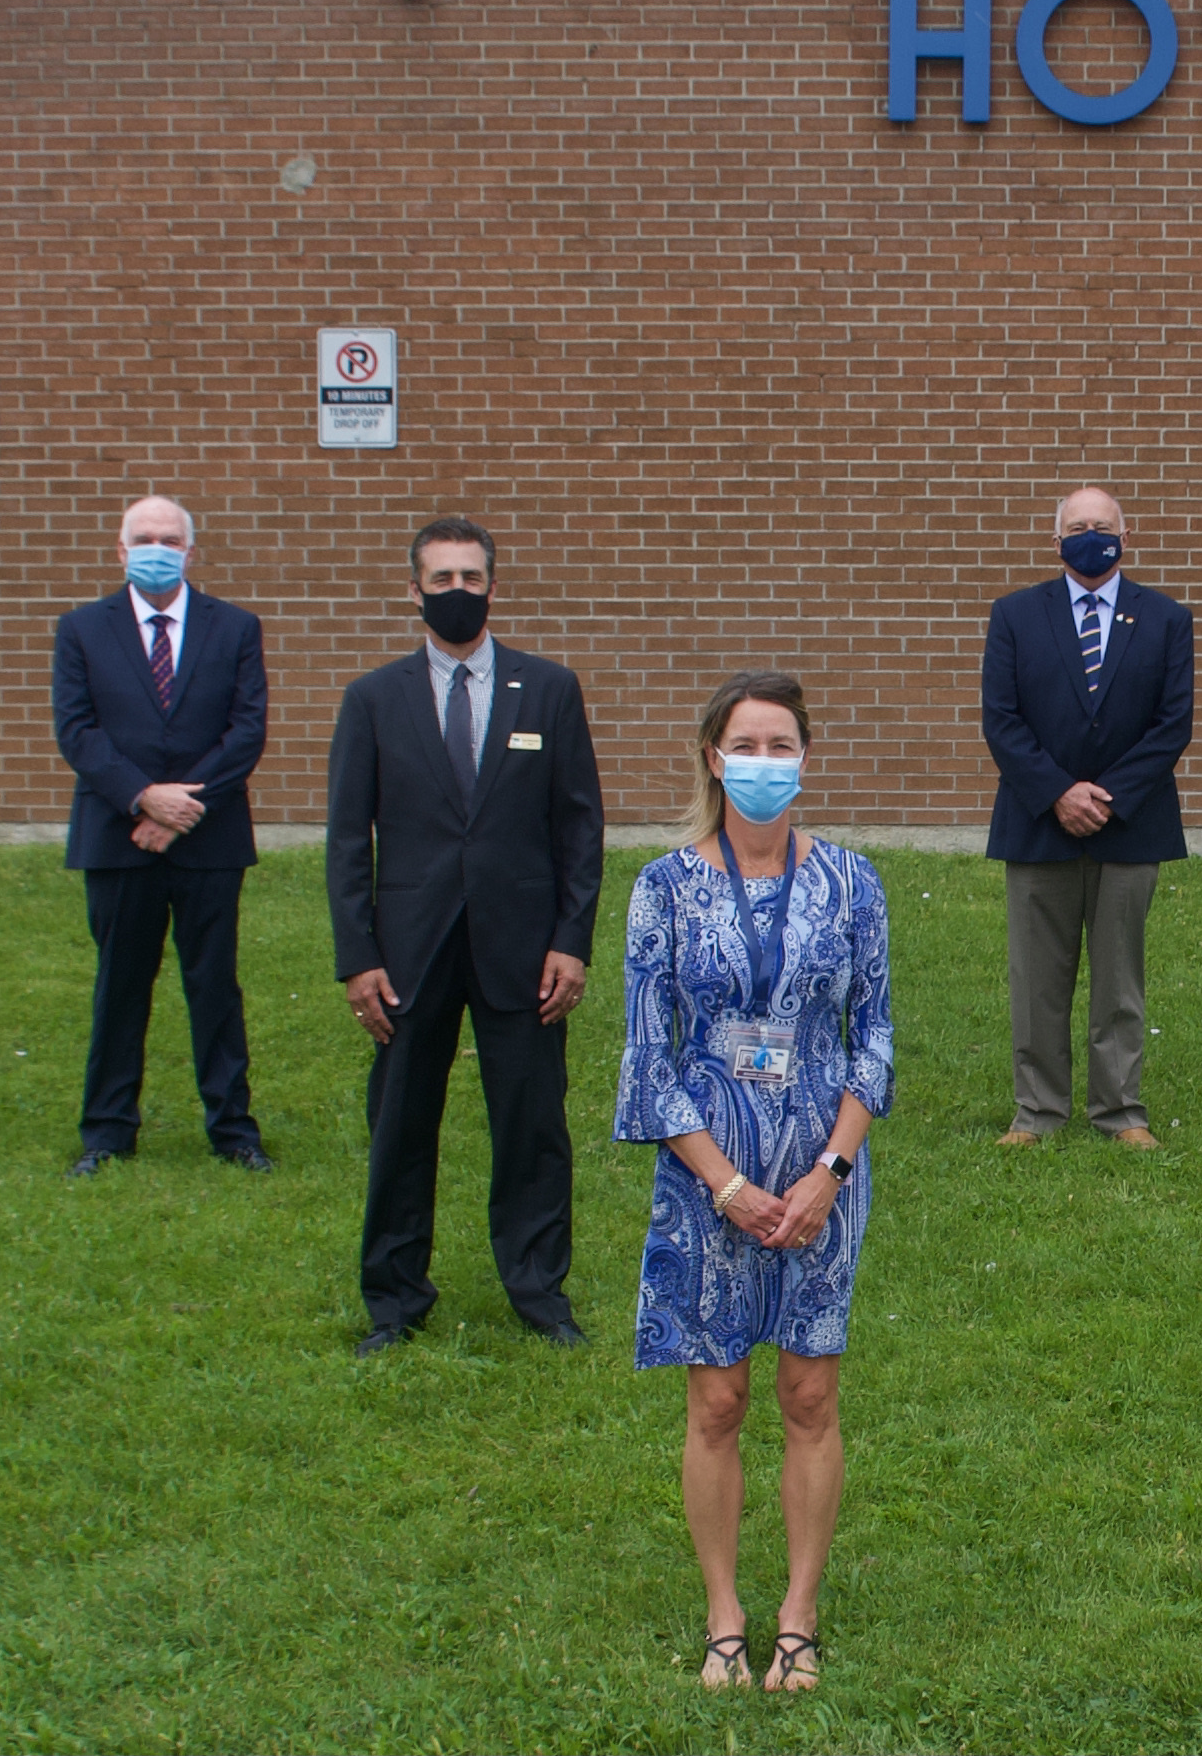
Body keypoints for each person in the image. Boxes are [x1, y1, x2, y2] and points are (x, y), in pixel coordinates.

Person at [612, 672, 895, 1693]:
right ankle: (724, 1614)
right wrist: (727, 1186)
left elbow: (874, 1038)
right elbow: (648, 1060)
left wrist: (829, 1169)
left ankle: (799, 1613)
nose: (765, 762)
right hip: (706, 1177)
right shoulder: (663, 888)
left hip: (821, 1171)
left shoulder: (854, 883)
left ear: (805, 758)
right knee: (719, 1400)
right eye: (748, 743)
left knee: (809, 1393)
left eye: (783, 744)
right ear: (710, 755)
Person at [326, 515, 608, 1354]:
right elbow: (347, 840)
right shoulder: (373, 699)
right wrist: (358, 957)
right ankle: (394, 1297)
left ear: (494, 585)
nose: (457, 592)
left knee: (532, 1126)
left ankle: (537, 1288)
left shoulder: (549, 689)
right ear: (411, 590)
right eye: (440, 579)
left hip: (524, 954)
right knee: (401, 1127)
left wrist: (572, 940)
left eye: (471, 577)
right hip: (408, 955)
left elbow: (579, 828)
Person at [51, 493, 274, 1177]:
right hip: (117, 836)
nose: (155, 547)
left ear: (190, 551)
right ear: (119, 550)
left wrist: (182, 806)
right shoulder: (82, 629)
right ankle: (108, 1130)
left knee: (214, 985)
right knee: (121, 983)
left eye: (168, 537)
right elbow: (77, 729)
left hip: (210, 837)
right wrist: (143, 798)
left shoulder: (234, 627)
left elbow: (246, 730)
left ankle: (233, 1129)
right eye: (142, 536)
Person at [977, 483, 1193, 1150]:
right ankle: (1037, 1110)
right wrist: (1059, 793)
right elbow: (1002, 720)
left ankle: (1120, 1110)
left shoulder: (1164, 618)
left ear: (1126, 537)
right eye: (1078, 524)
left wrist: (1108, 796)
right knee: (1037, 977)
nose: (1090, 533)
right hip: (1039, 819)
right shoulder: (1014, 614)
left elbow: (1171, 724)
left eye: (1102, 524)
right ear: (1056, 539)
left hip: (1132, 823)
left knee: (1119, 974)